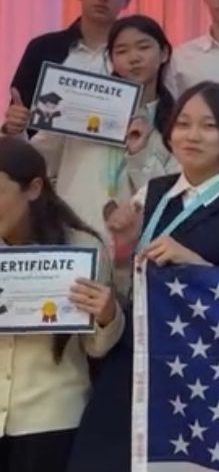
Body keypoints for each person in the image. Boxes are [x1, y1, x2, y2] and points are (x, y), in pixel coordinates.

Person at [68, 81, 219, 472]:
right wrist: (122, 252)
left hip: (205, 379)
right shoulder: (152, 194)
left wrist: (196, 265)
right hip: (133, 364)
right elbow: (128, 282)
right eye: (183, 124)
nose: (191, 135)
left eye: (208, 125)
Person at [5, 15, 177, 295]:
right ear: (111, 60)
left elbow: (170, 194)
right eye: (122, 51)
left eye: (143, 47)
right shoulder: (79, 105)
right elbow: (37, 162)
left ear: (165, 53)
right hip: (73, 239)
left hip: (139, 253)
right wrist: (17, 131)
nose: (133, 58)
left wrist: (140, 154)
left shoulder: (176, 121)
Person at [0, 136, 123, 472]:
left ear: (33, 188)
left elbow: (97, 348)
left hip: (51, 420)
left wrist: (107, 315)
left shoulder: (82, 248)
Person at [6, 0, 133, 133]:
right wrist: (13, 125)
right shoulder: (42, 48)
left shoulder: (134, 58)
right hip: (42, 150)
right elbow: (18, 117)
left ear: (127, 0)